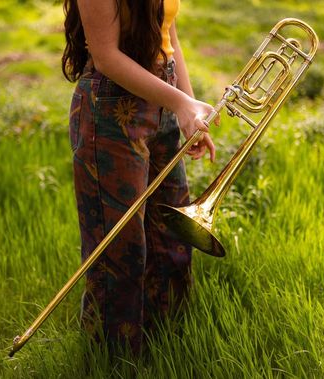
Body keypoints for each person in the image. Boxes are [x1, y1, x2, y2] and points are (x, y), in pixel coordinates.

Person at [62, 0, 218, 355]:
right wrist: (180, 103)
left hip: (162, 95)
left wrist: (189, 109)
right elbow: (106, 57)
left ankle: (168, 345)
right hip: (111, 107)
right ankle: (114, 360)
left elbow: (170, 39)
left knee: (170, 234)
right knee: (120, 252)